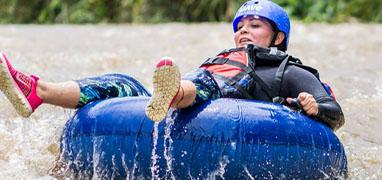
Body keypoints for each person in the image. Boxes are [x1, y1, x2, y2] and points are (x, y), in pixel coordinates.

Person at [0, 0, 344, 130]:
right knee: (122, 84)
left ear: (277, 37)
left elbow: (335, 111)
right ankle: (37, 91)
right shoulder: (221, 59)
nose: (243, 32)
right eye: (240, 27)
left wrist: (314, 107)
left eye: (255, 26)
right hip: (196, 88)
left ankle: (173, 92)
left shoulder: (287, 69)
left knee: (211, 83)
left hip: (226, 102)